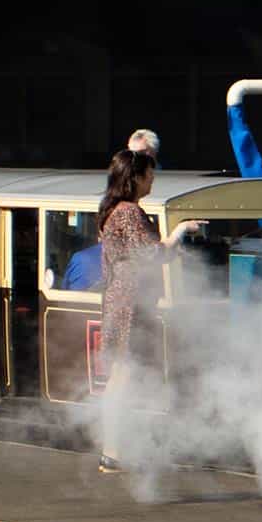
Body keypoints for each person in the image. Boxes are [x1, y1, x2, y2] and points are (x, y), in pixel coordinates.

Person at [95, 148, 162, 475]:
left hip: (119, 298)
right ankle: (114, 451)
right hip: (131, 301)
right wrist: (181, 233)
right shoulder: (129, 213)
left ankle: (116, 450)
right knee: (124, 377)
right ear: (134, 177)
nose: (152, 180)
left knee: (122, 377)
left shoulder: (112, 210)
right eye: (149, 174)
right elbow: (155, 255)